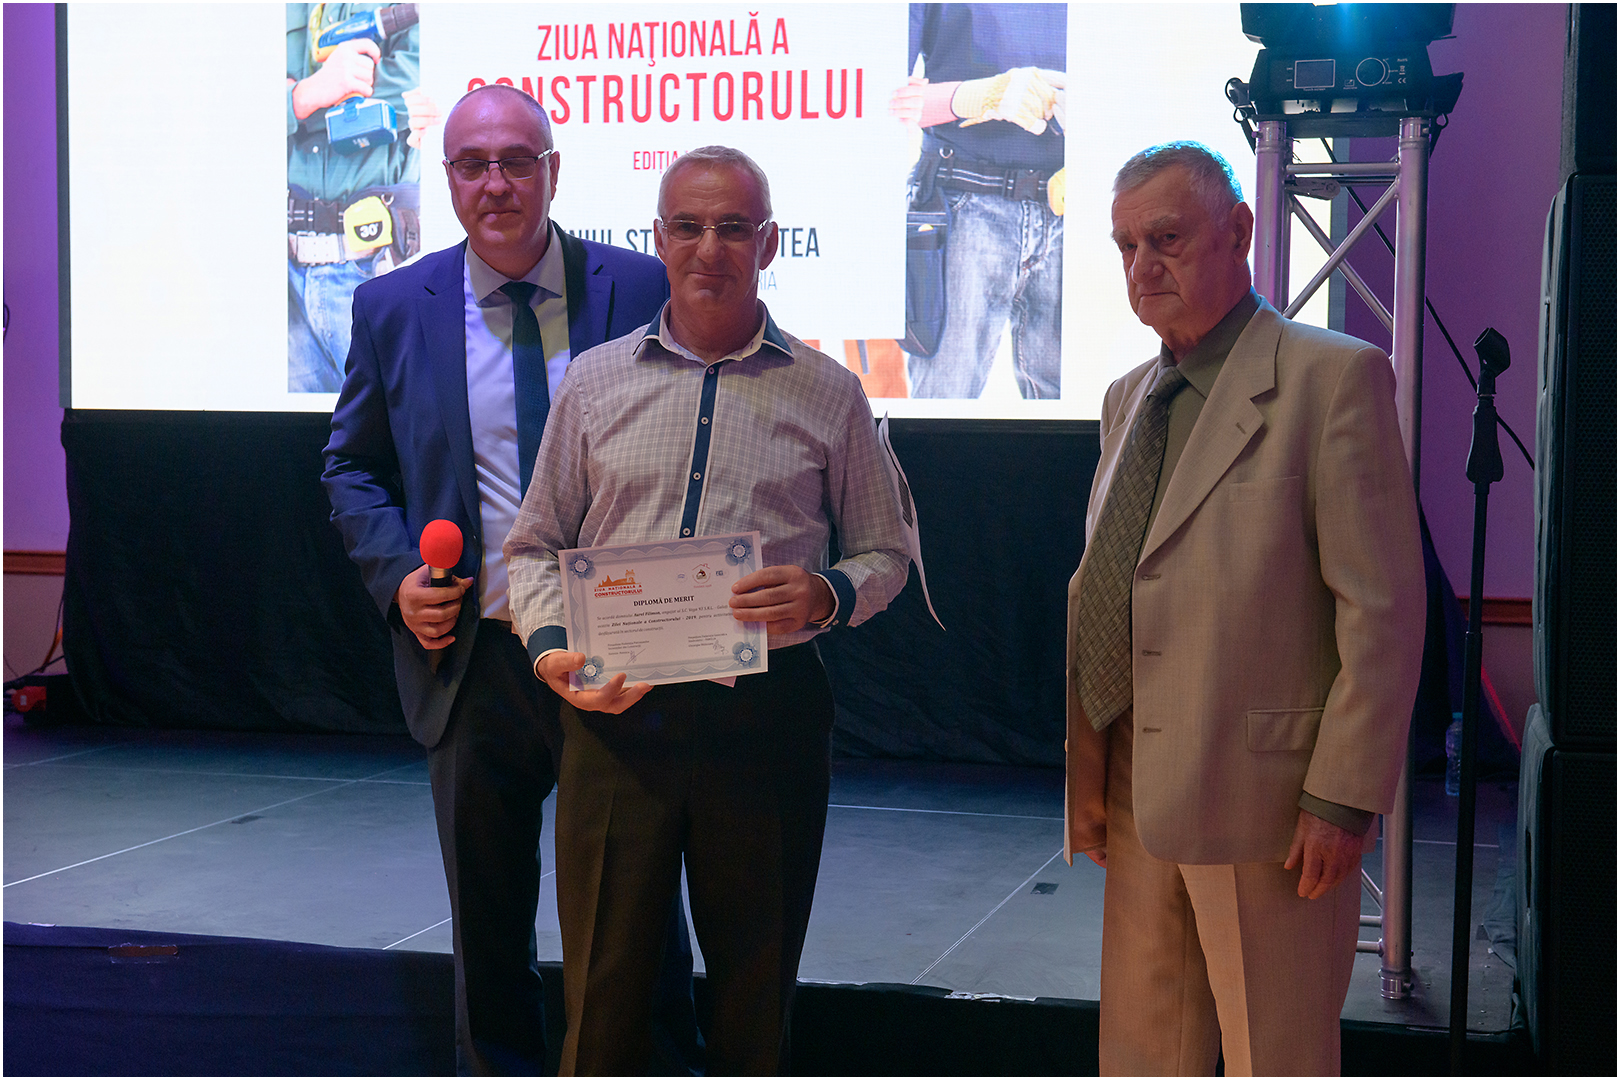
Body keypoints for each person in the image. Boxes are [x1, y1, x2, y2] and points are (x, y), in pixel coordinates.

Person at [504, 146, 911, 1075]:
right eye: (687, 226)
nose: (709, 248)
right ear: (658, 239)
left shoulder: (831, 391)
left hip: (764, 722)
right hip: (616, 716)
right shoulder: (594, 381)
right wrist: (554, 651)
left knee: (751, 1001)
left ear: (769, 243)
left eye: (733, 227)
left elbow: (887, 552)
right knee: (602, 1000)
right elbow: (533, 546)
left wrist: (829, 592)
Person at [322, 84, 700, 1075]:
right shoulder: (392, 307)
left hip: (617, 652)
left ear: (553, 171)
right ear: (447, 178)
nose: (496, 184)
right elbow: (351, 465)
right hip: (474, 661)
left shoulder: (642, 286)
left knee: (636, 921)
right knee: (487, 929)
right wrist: (397, 578)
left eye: (517, 161)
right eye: (473, 164)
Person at [1063, 143, 1425, 1075]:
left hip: (1270, 806)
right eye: (1126, 247)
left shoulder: (1334, 378)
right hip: (1137, 786)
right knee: (1144, 1057)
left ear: (1239, 232)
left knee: (1278, 1057)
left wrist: (1343, 797)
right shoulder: (1127, 398)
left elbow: (1381, 613)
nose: (1143, 267)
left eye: (1167, 239)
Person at [890, 3, 1067, 400]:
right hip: (962, 208)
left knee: (1077, 414)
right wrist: (973, 97)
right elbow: (869, 92)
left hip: (1070, 205)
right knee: (944, 400)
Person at [287, 3, 434, 394]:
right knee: (288, 429)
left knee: (390, 425)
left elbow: (419, 85)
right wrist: (310, 93)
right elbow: (234, 109)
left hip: (374, 269)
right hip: (286, 282)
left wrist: (296, 103)